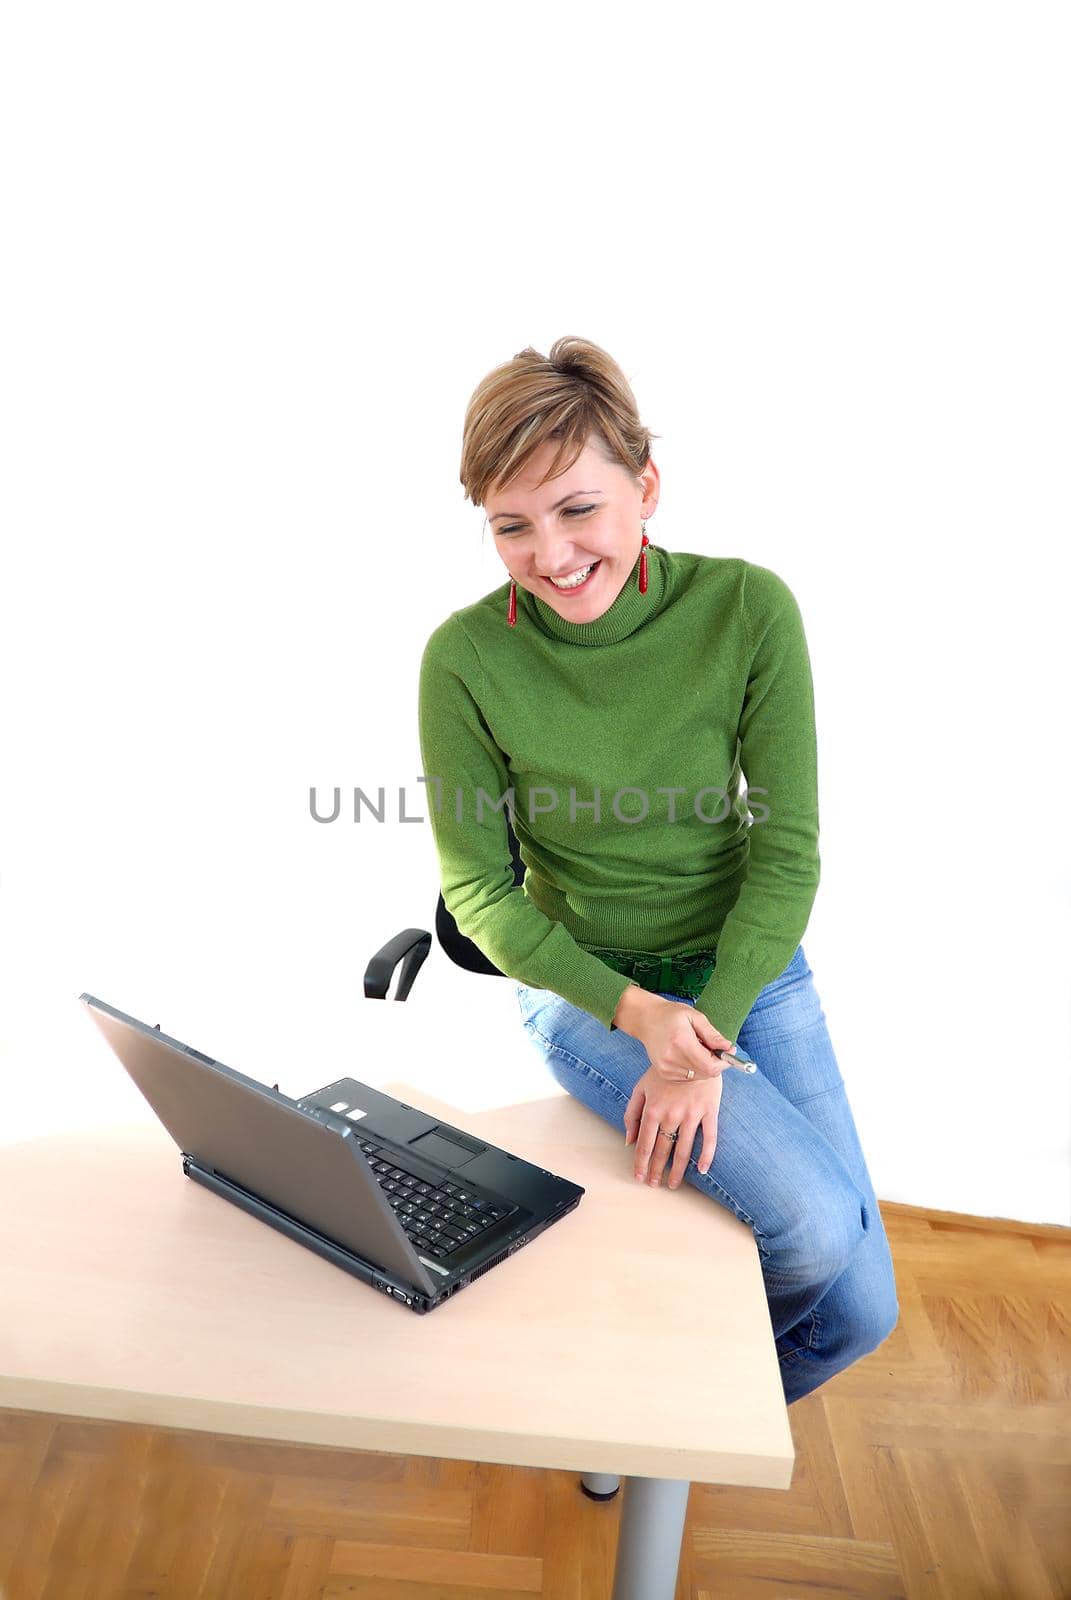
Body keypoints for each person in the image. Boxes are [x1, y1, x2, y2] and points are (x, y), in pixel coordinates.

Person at [418, 335, 899, 1405]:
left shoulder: (746, 610)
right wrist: (641, 1018)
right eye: (511, 525)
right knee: (817, 1235)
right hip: (587, 988)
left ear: (646, 486)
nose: (549, 554)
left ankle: (656, 1414)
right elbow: (480, 894)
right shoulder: (464, 658)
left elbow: (785, 853)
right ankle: (654, 1414)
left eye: (578, 507)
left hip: (743, 968)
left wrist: (703, 1035)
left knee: (866, 1313)